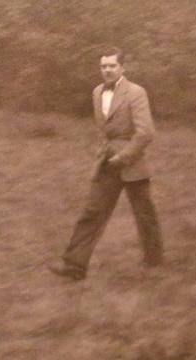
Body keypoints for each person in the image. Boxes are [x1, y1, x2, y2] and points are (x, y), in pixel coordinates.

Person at [49, 46, 164, 281]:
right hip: (107, 164)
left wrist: (123, 157)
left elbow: (146, 132)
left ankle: (154, 261)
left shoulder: (136, 92)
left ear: (122, 67)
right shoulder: (97, 92)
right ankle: (75, 265)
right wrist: (105, 153)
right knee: (92, 212)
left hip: (132, 163)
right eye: (103, 66)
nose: (107, 70)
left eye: (112, 65)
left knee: (145, 214)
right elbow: (105, 129)